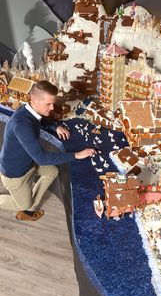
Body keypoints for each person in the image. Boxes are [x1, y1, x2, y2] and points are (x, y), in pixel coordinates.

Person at [0, 80, 96, 221]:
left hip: (28, 163)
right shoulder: (22, 125)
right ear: (34, 100)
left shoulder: (27, 110)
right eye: (48, 104)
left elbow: (37, 120)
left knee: (52, 172)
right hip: (15, 175)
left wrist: (54, 127)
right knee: (23, 205)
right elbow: (42, 159)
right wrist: (77, 155)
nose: (52, 108)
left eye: (53, 103)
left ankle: (30, 208)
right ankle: (28, 208)